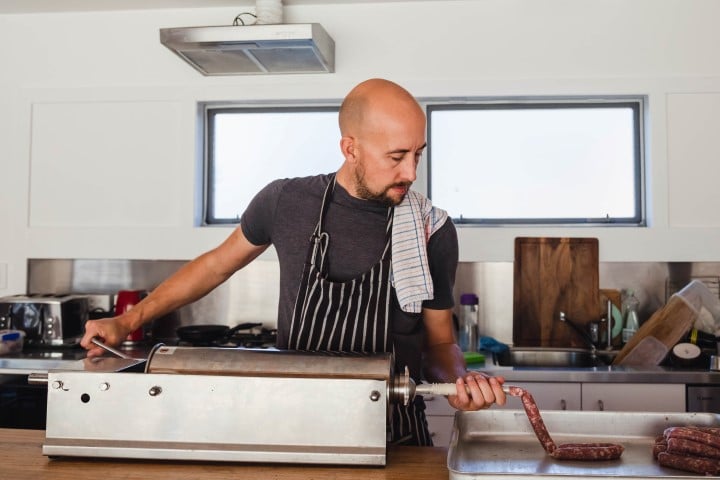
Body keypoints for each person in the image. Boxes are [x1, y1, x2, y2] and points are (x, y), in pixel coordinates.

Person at [80, 78, 506, 446]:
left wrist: (459, 383)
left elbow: (437, 343)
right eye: (396, 157)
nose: (411, 172)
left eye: (418, 154)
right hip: (295, 427)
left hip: (395, 435)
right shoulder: (286, 203)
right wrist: (127, 321)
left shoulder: (431, 229)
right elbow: (215, 266)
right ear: (350, 147)